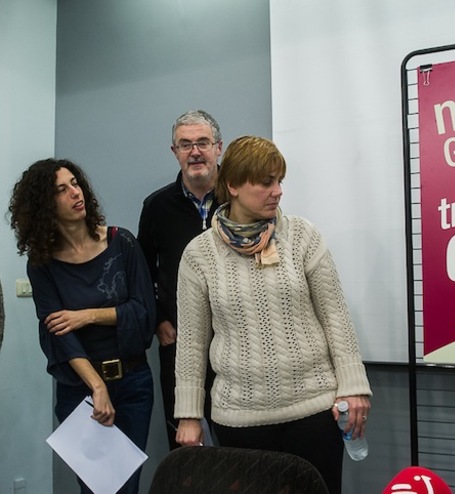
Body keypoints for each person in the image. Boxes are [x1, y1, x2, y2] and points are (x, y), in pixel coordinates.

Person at [174, 136, 372, 494]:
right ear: (233, 185)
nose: (277, 191)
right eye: (265, 182)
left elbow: (336, 317)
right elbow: (190, 343)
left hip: (313, 413)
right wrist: (189, 415)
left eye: (279, 181)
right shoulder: (198, 255)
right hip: (239, 421)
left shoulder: (302, 236)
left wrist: (354, 387)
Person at [8, 158, 156, 494]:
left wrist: (86, 315)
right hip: (79, 391)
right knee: (98, 488)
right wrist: (96, 387)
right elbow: (59, 336)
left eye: (75, 183)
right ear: (45, 206)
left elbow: (143, 313)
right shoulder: (41, 264)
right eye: (62, 189)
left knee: (126, 486)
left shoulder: (122, 243)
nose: (76, 193)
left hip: (132, 383)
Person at [137, 109, 222, 450]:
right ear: (174, 152)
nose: (195, 152)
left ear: (219, 147)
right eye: (185, 145)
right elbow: (141, 272)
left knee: (239, 446)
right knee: (184, 445)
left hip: (234, 341)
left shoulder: (239, 200)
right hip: (179, 344)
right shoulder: (157, 206)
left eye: (202, 142)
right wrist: (157, 319)